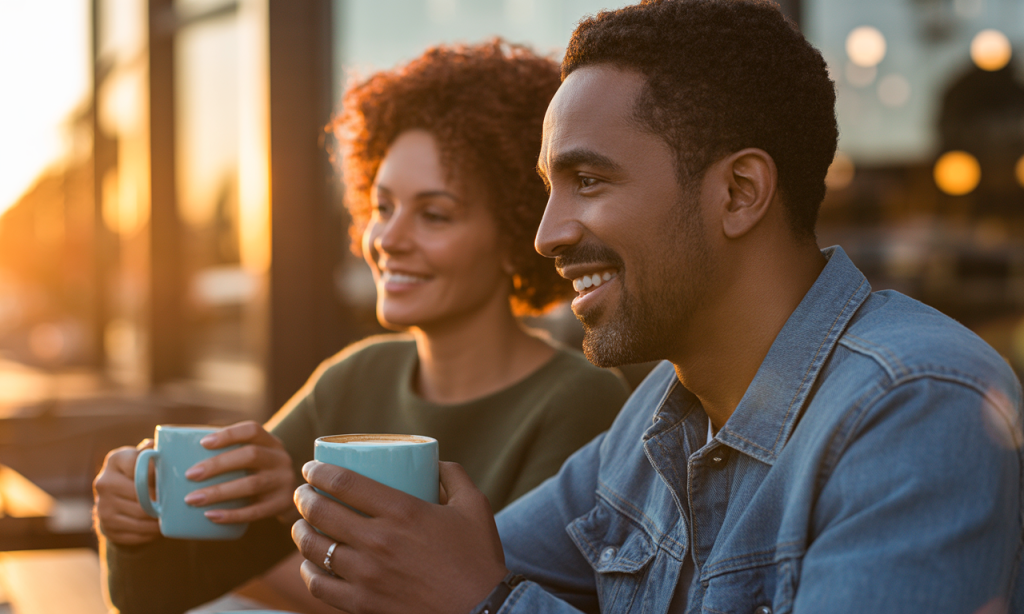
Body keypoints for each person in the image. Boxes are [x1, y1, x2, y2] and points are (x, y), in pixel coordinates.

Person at [288, 1, 1024, 612]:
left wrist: (487, 604)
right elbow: (439, 571)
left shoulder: (919, 406)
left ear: (739, 193)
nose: (546, 235)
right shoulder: (655, 421)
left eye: (588, 180)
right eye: (549, 188)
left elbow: (470, 586)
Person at [92, 40, 630, 614]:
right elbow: (166, 594)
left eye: (434, 215)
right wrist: (134, 523)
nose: (388, 239)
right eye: (383, 207)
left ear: (516, 235)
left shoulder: (581, 402)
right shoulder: (355, 376)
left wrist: (278, 549)